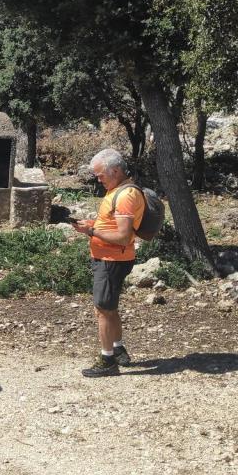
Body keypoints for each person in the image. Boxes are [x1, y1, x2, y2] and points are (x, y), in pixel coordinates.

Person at [73, 148, 145, 377]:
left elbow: (123, 236)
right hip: (109, 258)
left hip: (112, 260)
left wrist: (92, 230)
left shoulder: (124, 196)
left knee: (102, 309)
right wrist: (92, 224)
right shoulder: (117, 191)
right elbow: (112, 225)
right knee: (110, 307)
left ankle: (107, 361)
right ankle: (118, 348)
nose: (98, 179)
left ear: (115, 171)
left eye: (101, 175)